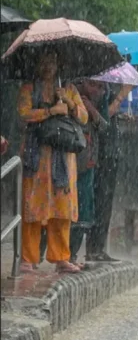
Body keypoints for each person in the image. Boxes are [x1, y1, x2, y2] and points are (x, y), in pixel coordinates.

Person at [18, 50, 88, 274]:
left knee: (62, 209)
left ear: (58, 64)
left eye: (52, 61)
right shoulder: (29, 88)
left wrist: (67, 101)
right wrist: (50, 111)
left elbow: (84, 117)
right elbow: (23, 114)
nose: (48, 66)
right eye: (44, 61)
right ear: (37, 64)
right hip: (36, 155)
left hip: (63, 158)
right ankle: (28, 258)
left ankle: (61, 257)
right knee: (32, 208)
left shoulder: (68, 88)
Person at [41, 80, 106, 265]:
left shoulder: (79, 98)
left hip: (88, 163)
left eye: (101, 87)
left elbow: (102, 126)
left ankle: (71, 255)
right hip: (67, 160)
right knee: (55, 210)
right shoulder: (59, 91)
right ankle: (44, 255)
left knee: (81, 213)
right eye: (94, 85)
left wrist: (87, 108)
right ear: (83, 82)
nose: (98, 90)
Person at [86, 82, 132, 262]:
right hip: (100, 154)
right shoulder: (97, 89)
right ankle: (94, 247)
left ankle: (99, 247)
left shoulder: (106, 89)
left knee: (106, 203)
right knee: (99, 200)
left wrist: (120, 116)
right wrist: (122, 94)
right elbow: (103, 118)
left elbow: (110, 116)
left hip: (111, 153)